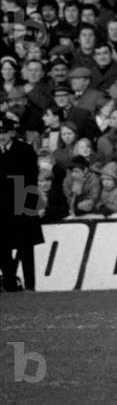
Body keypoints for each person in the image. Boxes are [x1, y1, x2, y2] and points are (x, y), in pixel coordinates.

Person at [0, 118, 44, 291]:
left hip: (21, 202)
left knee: (25, 247)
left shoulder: (24, 150)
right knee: (2, 247)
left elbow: (31, 180)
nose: (1, 137)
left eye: (3, 132)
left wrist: (28, 209)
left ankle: (30, 286)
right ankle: (10, 284)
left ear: (12, 132)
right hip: (2, 207)